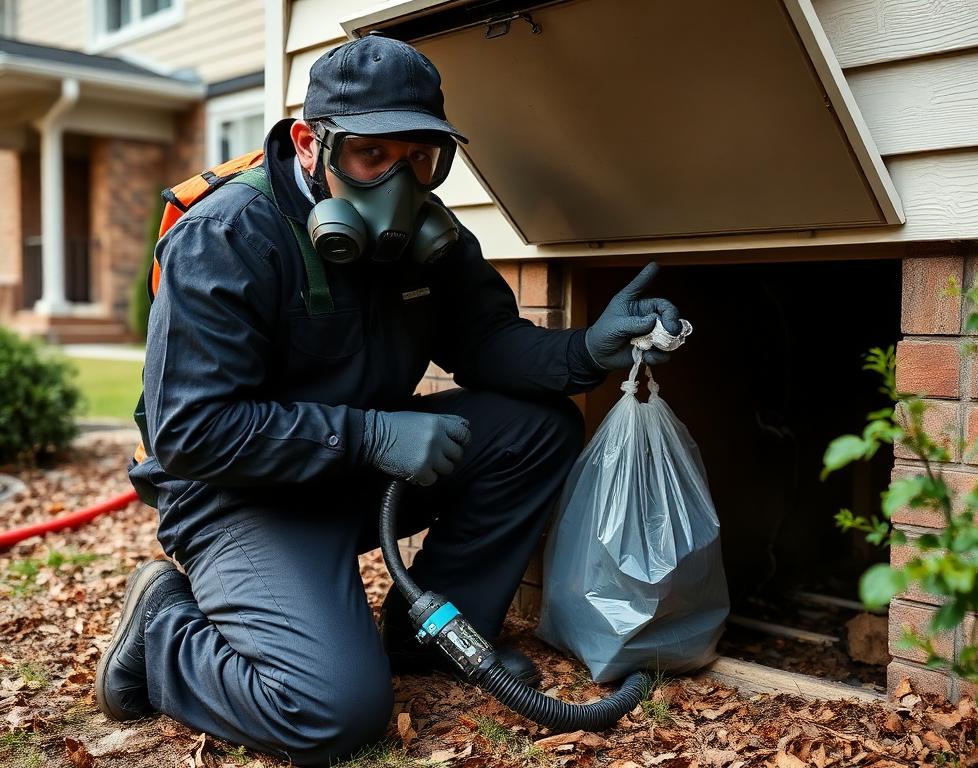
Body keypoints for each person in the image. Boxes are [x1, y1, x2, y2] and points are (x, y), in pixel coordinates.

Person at [95, 34, 682, 766]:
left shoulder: (426, 239)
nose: (398, 183)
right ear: (312, 144)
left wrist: (588, 349)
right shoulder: (227, 236)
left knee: (535, 428)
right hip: (236, 494)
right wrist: (370, 436)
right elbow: (193, 431)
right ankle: (162, 630)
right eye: (372, 156)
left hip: (350, 466)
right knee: (329, 713)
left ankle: (427, 636)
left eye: (419, 160)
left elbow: (489, 342)